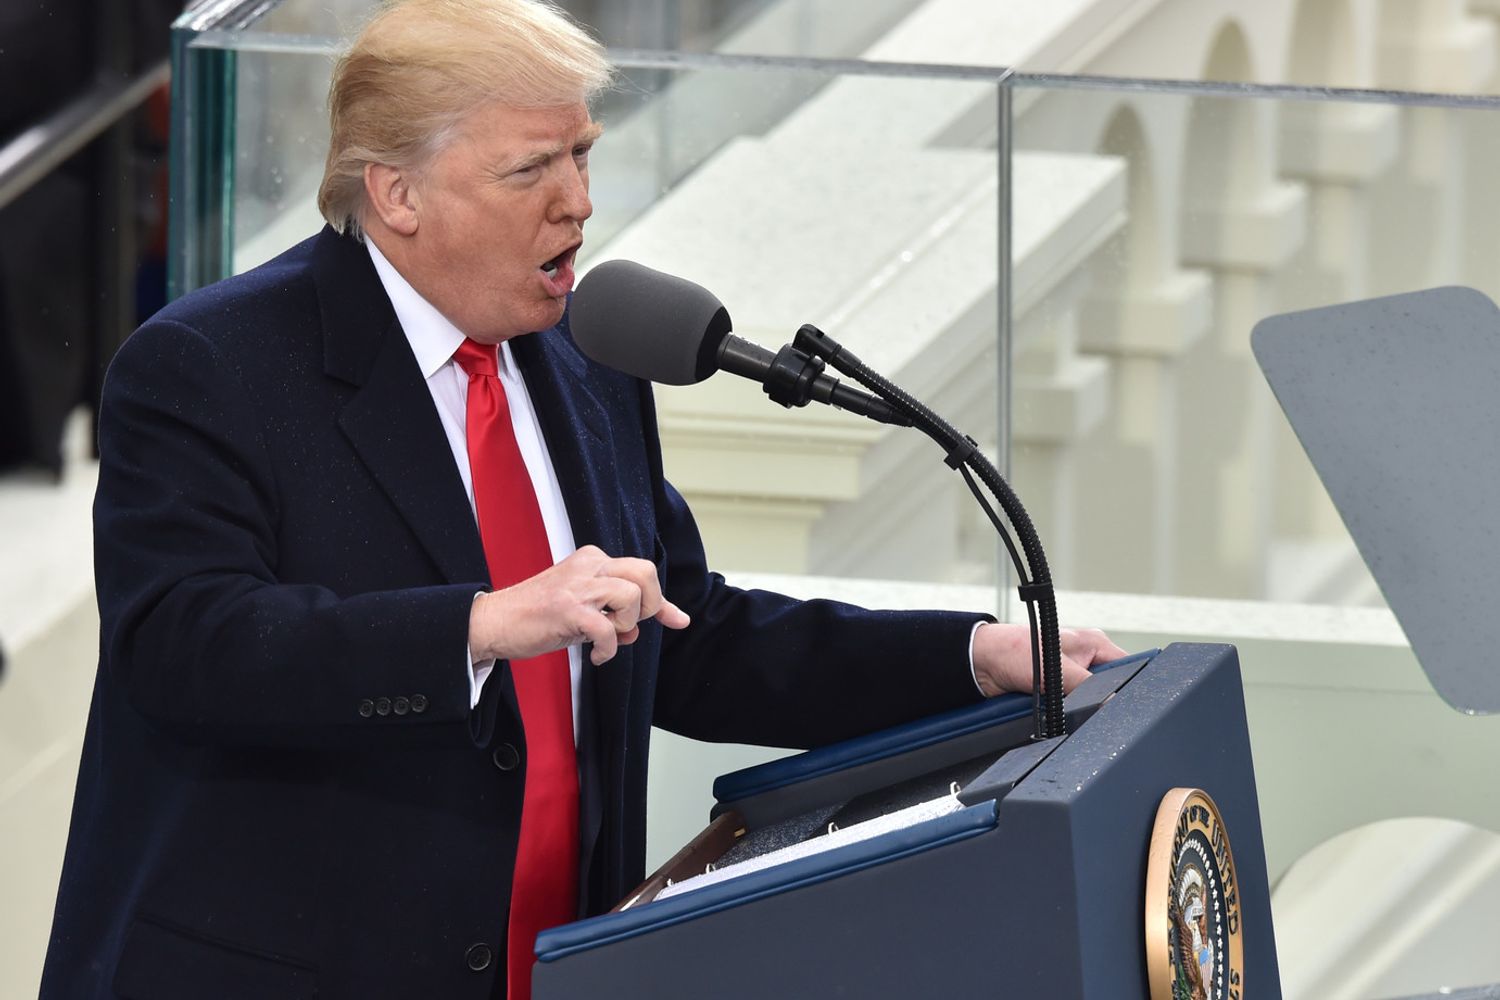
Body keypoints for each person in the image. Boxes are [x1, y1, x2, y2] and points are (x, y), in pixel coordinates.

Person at [40, 1, 1126, 997]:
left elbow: (688, 637)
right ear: (397, 192)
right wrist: (478, 626)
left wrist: (968, 660)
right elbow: (186, 643)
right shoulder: (208, 367)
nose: (579, 200)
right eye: (531, 170)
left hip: (550, 963)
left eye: (583, 153)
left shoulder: (587, 360)